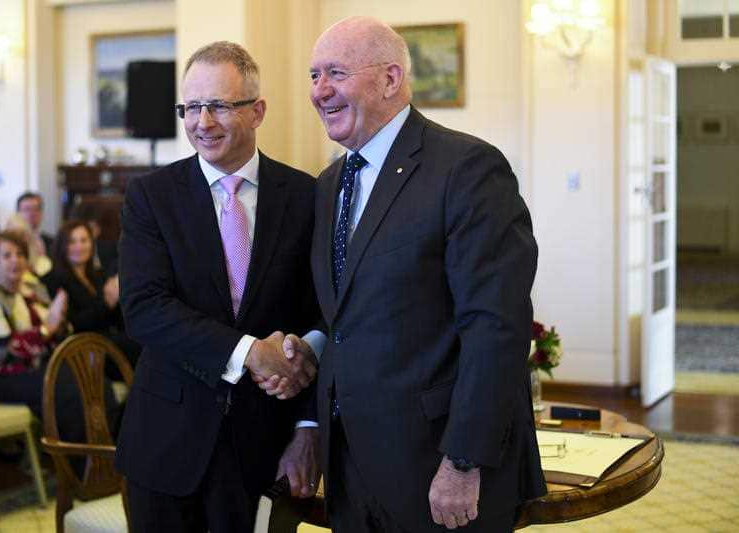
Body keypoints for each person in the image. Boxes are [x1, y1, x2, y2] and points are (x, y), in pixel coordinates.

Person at [286, 16, 546, 532]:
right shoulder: (328, 183)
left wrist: (462, 462)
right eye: (314, 76)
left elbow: (496, 327)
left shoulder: (468, 168)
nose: (320, 91)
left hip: (437, 469)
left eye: (335, 72)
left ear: (390, 78)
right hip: (350, 469)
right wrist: (309, 414)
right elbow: (338, 315)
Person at [116, 41, 322, 533]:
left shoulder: (306, 196)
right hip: (165, 449)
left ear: (257, 111)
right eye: (190, 107)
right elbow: (144, 308)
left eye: (219, 106)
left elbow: (326, 313)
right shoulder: (150, 197)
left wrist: (307, 423)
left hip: (266, 449)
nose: (201, 122)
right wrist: (250, 351)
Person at [0, 230, 118, 448]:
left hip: (39, 368)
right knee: (68, 390)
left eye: (20, 254)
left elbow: (63, 330)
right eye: (7, 255)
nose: (16, 261)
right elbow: (6, 350)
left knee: (95, 381)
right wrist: (48, 329)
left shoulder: (33, 291)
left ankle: (106, 456)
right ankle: (79, 468)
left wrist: (57, 324)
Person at [43, 220, 139, 369]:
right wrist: (107, 303)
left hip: (108, 339)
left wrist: (121, 297)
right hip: (83, 347)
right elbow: (73, 325)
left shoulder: (97, 274)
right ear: (62, 246)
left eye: (84, 240)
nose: (79, 247)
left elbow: (114, 317)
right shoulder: (53, 278)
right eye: (72, 242)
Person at [16, 191, 54, 256]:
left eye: (36, 209)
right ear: (18, 214)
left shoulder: (52, 242)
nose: (32, 213)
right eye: (27, 209)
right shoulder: (11, 243)